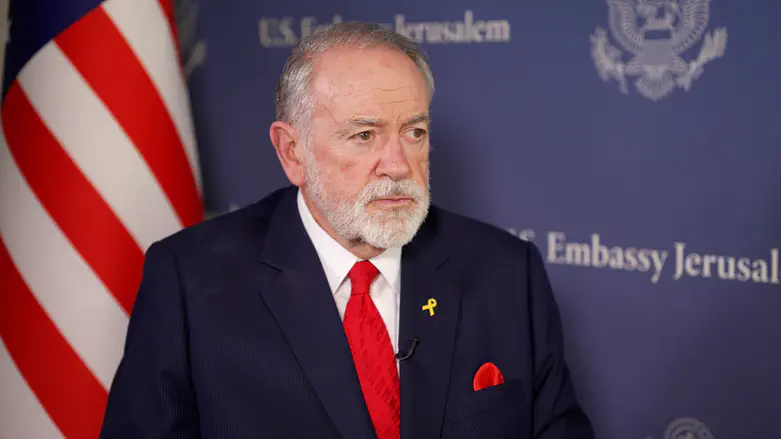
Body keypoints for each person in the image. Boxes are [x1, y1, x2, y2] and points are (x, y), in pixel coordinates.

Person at [99, 22, 594, 439]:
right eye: (364, 135)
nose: (397, 165)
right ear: (292, 152)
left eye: (414, 132)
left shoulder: (508, 273)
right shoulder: (189, 282)